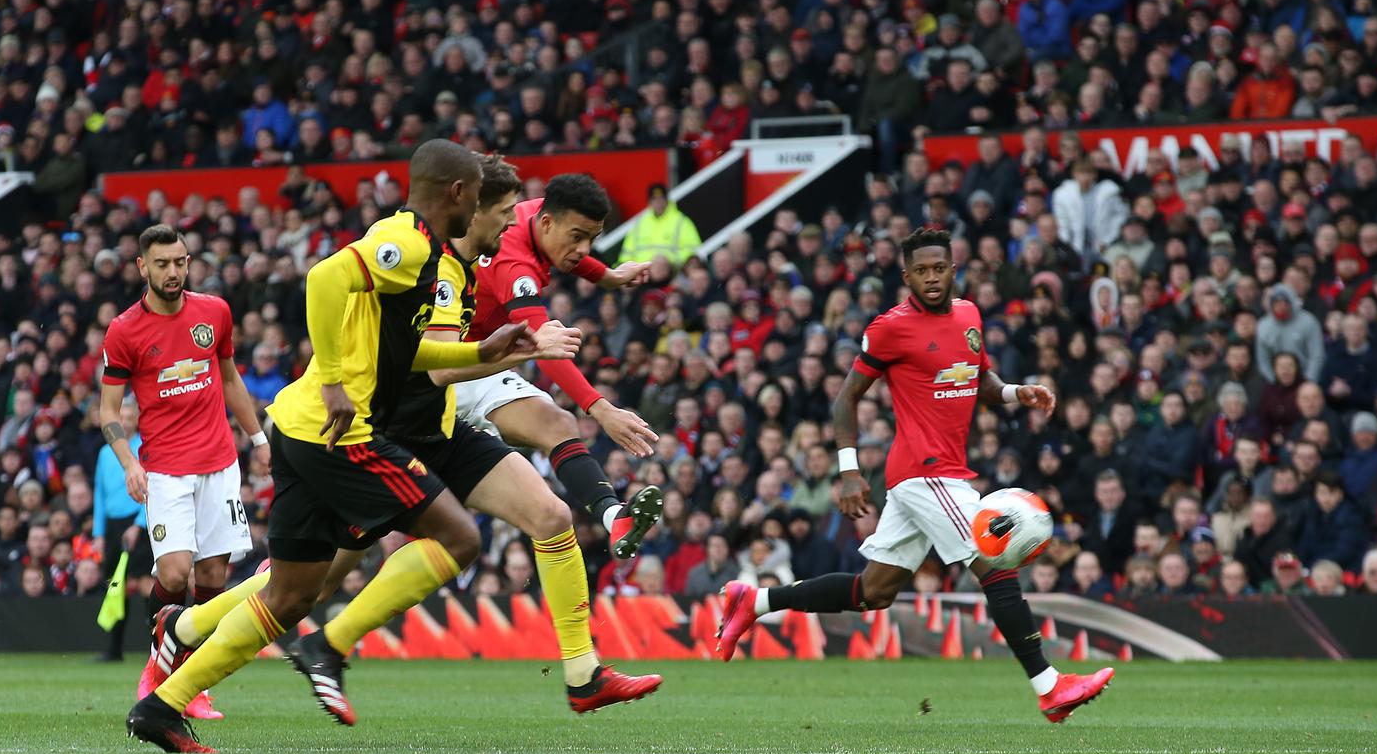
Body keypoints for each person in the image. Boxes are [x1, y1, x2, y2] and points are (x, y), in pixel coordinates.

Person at [166, 155, 661, 718]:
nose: (509, 223)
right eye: (501, 213)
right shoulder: (438, 264)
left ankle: (583, 671)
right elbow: (434, 364)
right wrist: (523, 356)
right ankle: (192, 628)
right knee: (310, 584)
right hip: (387, 429)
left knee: (549, 514)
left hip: (439, 421)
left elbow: (540, 235)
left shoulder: (498, 234)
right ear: (467, 206)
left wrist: (605, 273)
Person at [126, 141, 544, 753]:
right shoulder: (410, 243)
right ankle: (330, 645)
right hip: (338, 434)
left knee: (291, 593)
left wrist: (481, 353)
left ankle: (160, 707)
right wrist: (331, 383)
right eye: (482, 201)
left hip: (297, 430)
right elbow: (323, 276)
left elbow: (403, 356)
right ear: (457, 194)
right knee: (461, 537)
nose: (494, 216)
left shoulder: (423, 256)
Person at [715, 227, 1113, 722]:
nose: (930, 278)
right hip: (924, 472)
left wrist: (1014, 393)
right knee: (994, 561)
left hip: (939, 474)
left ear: (953, 269)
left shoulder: (969, 315)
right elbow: (846, 398)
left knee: (874, 591)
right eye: (920, 271)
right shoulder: (891, 328)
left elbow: (977, 377)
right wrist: (848, 470)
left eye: (939, 268)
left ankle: (754, 600)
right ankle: (1050, 686)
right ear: (906, 276)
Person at [101, 223, 266, 719]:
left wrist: (258, 440)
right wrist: (129, 461)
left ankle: (193, 681)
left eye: (180, 262)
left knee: (214, 575)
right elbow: (109, 409)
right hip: (165, 470)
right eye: (163, 264)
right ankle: (158, 666)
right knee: (174, 572)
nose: (173, 272)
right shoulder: (125, 330)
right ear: (142, 268)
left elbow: (231, 380)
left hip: (219, 464)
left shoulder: (214, 312)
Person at [455, 173, 664, 559]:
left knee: (559, 425)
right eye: (578, 236)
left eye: (592, 238)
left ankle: (614, 516)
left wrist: (610, 277)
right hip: (441, 368)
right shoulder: (515, 266)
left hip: (477, 360)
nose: (583, 248)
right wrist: (602, 409)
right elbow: (544, 349)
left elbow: (567, 252)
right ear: (548, 223)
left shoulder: (536, 214)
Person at [92, 397, 147, 663]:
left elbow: (154, 490)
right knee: (115, 587)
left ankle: (158, 648)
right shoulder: (105, 453)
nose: (124, 423)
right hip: (113, 526)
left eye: (128, 417)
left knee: (148, 584)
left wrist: (139, 525)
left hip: (139, 522)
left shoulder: (145, 448)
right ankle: (114, 649)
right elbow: (99, 496)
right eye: (120, 418)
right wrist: (99, 534)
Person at [620, 183, 702, 267]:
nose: (658, 202)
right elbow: (626, 254)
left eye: (661, 198)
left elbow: (692, 251)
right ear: (649, 202)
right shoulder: (640, 223)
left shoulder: (681, 222)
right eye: (654, 199)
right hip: (642, 273)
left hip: (671, 272)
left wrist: (669, 261)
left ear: (667, 200)